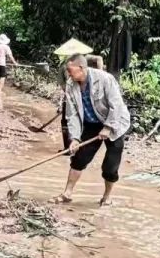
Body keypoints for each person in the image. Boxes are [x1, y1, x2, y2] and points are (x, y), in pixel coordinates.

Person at [53, 53, 131, 207]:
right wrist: (75, 138)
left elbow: (117, 106)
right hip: (91, 123)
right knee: (79, 158)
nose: (68, 74)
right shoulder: (70, 84)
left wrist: (108, 127)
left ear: (82, 68)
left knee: (110, 166)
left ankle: (106, 197)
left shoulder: (105, 79)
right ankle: (67, 193)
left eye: (71, 71)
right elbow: (72, 113)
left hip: (115, 123)